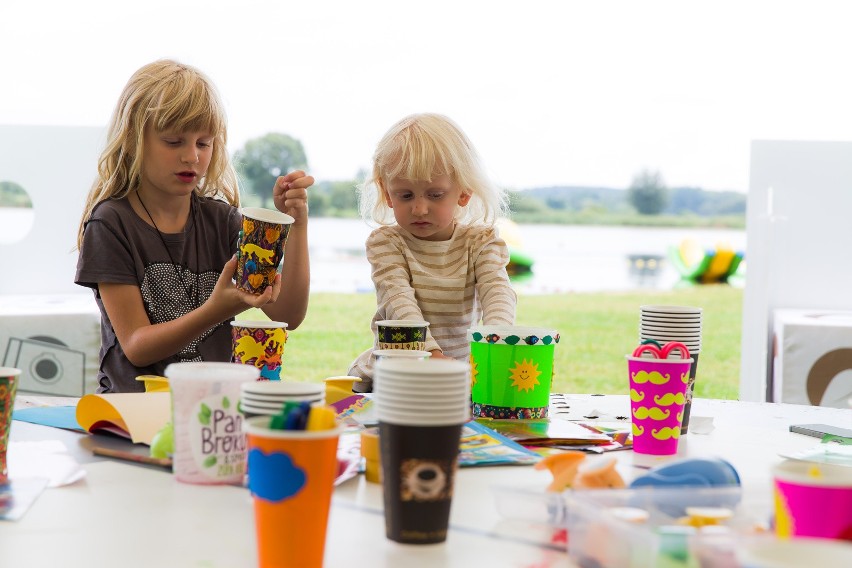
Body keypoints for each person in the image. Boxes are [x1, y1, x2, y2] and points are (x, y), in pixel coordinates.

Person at [75, 59, 312, 393]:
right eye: (174, 141)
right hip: (133, 409)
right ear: (132, 140)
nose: (192, 156)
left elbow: (288, 312)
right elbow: (137, 345)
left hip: (213, 409)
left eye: (204, 143)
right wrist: (215, 311)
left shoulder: (225, 222)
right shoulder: (110, 224)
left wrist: (296, 225)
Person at [348, 113, 517, 391]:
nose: (419, 208)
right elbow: (399, 301)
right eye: (405, 195)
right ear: (387, 193)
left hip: (462, 375)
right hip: (394, 373)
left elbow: (498, 292)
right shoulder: (386, 243)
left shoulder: (481, 241)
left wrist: (494, 344)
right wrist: (432, 357)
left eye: (435, 195)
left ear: (463, 192)